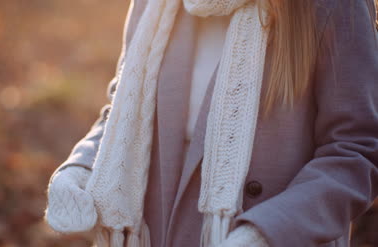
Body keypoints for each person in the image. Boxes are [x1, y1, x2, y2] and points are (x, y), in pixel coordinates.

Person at [44, 0, 378, 246]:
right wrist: (80, 169)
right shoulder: (155, 5)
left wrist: (266, 233)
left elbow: (356, 150)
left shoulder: (335, 7)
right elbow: (119, 112)